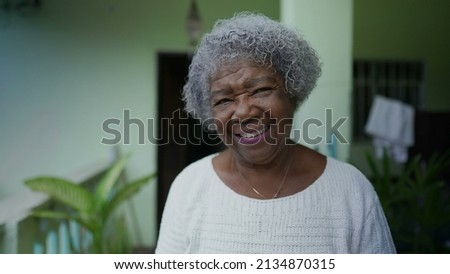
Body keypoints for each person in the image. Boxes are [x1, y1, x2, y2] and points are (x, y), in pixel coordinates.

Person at [155, 12, 396, 254]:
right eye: (224, 100)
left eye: (260, 90)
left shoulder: (351, 192)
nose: (243, 112)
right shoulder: (189, 187)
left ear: (292, 91)